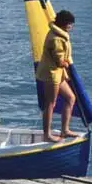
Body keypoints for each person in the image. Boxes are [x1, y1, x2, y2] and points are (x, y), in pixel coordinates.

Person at [36, 10, 78, 143]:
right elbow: (59, 61)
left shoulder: (61, 34)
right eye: (70, 24)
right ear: (64, 24)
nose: (71, 27)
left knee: (71, 98)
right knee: (50, 103)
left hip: (58, 74)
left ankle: (65, 130)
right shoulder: (56, 38)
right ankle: (46, 134)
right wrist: (68, 64)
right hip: (51, 74)